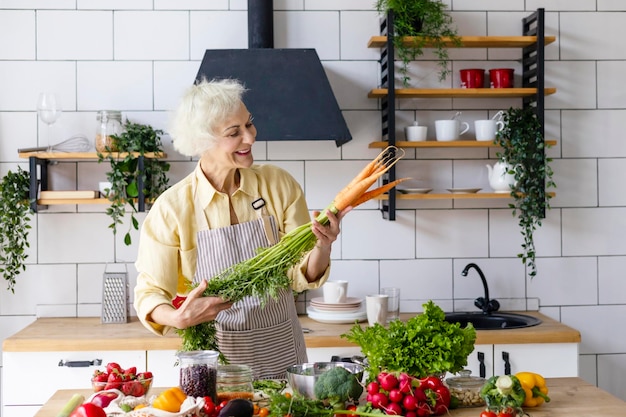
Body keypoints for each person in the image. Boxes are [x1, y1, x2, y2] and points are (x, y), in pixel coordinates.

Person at [134, 78, 350, 379]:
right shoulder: (172, 209)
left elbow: (300, 274)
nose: (250, 138)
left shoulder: (278, 184)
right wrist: (179, 317)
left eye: (249, 124)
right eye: (234, 133)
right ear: (202, 143)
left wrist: (323, 246)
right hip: (216, 362)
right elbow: (150, 292)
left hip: (282, 353)